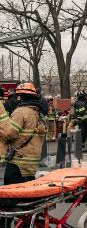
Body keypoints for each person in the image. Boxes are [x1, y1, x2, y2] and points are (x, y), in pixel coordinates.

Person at [0, 83, 47, 227]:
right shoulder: (38, 113)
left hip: (17, 164)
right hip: (30, 166)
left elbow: (9, 133)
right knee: (26, 202)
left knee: (8, 204)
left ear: (20, 96)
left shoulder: (21, 112)